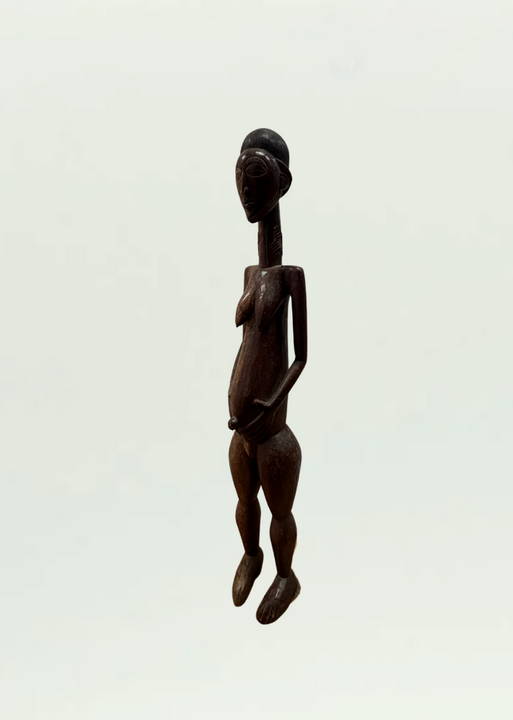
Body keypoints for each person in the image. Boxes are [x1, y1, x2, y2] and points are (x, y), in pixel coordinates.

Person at [228, 128, 307, 624]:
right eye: (241, 177)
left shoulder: (290, 278)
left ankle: (285, 576)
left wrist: (272, 402)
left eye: (257, 177)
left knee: (279, 511)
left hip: (272, 432)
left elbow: (301, 357)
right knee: (244, 501)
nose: (247, 190)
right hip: (242, 431)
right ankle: (251, 556)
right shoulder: (250, 274)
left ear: (282, 184)